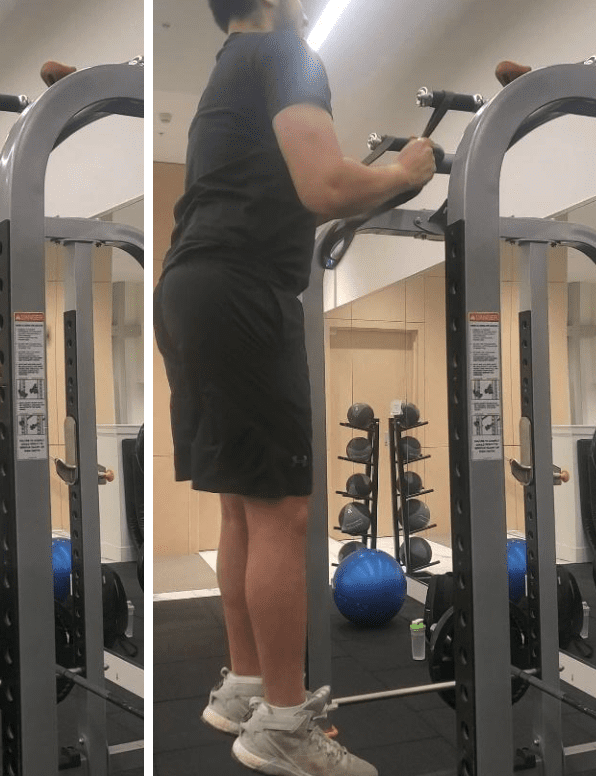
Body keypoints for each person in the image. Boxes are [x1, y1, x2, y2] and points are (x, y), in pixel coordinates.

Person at [153, 1, 436, 774]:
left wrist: (378, 180)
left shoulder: (229, 68)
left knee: (246, 503)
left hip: (190, 289)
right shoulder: (283, 54)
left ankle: (248, 683)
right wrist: (407, 171)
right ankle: (283, 722)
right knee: (284, 510)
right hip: (241, 292)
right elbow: (326, 186)